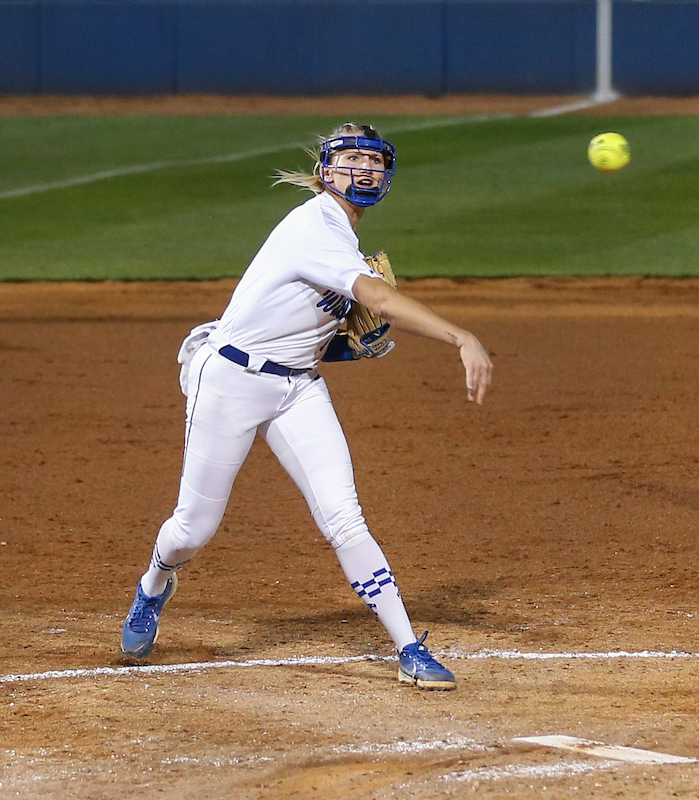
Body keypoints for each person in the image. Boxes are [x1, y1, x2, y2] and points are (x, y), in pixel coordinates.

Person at [119, 122, 493, 690]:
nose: (363, 170)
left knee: (345, 517)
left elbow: (306, 326)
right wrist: (460, 336)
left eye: (374, 162)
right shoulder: (314, 226)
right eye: (350, 161)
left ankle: (409, 649)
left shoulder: (344, 238)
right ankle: (154, 583)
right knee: (193, 530)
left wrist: (339, 346)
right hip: (231, 383)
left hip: (299, 388)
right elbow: (377, 298)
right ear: (325, 171)